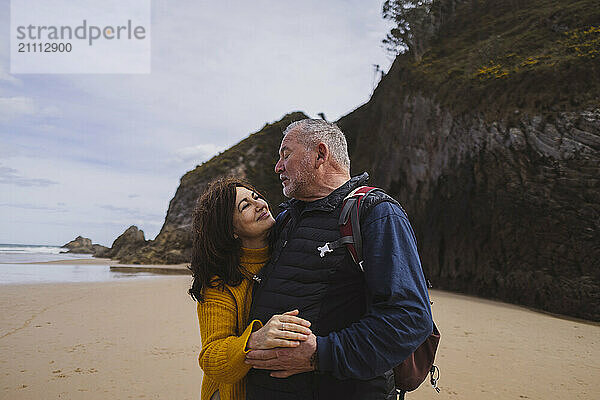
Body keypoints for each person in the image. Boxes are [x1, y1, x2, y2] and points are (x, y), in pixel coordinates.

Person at [245, 119, 434, 399]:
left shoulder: (376, 213)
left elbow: (410, 317)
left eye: (286, 154)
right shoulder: (284, 220)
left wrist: (320, 354)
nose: (278, 167)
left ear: (320, 155)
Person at [188, 177, 313, 400]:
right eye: (245, 206)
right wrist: (254, 340)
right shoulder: (219, 283)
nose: (260, 205)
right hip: (233, 394)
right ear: (230, 230)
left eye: (256, 197)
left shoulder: (289, 250)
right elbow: (210, 357)